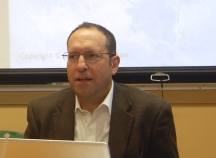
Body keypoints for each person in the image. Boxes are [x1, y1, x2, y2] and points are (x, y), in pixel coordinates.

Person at [24, 22, 178, 158]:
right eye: (73, 56)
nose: (80, 65)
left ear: (115, 64)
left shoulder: (152, 112)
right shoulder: (41, 112)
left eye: (92, 55)